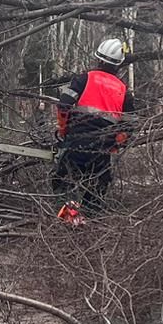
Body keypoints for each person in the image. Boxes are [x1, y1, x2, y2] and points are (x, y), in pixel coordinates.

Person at [52, 37, 135, 213]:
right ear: (119, 64)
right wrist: (115, 144)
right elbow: (129, 126)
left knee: (63, 180)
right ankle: (90, 221)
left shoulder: (84, 78)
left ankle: (65, 219)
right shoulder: (124, 90)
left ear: (98, 58)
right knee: (97, 188)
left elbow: (64, 105)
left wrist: (63, 129)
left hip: (77, 140)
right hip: (102, 147)